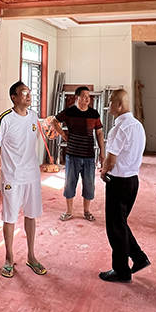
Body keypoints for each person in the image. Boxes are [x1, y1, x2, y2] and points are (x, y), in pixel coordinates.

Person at [0, 80, 49, 279]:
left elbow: (37, 137)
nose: (28, 96)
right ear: (14, 97)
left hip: (32, 175)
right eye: (24, 93)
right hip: (12, 177)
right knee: (10, 217)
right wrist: (11, 159)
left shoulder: (33, 116)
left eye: (29, 92)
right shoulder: (5, 119)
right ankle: (8, 260)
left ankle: (31, 256)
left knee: (31, 215)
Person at [98, 88, 149, 282]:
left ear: (119, 105)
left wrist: (104, 171)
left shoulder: (119, 128)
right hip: (133, 180)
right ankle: (139, 257)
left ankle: (121, 270)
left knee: (115, 228)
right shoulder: (137, 126)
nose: (109, 104)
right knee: (120, 223)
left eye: (111, 101)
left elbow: (111, 159)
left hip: (118, 182)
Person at [48, 86, 105, 222]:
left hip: (89, 156)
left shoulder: (94, 114)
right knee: (70, 184)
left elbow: (99, 133)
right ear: (77, 97)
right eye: (84, 96)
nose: (87, 99)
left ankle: (87, 211)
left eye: (88, 96)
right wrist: (63, 134)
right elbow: (54, 121)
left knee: (89, 185)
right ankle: (69, 212)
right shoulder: (69, 111)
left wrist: (102, 152)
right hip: (72, 155)